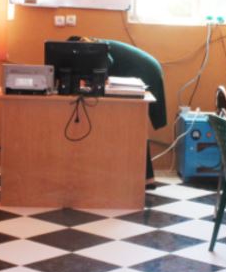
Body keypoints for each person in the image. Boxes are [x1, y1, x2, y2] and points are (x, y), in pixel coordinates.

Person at [68, 37, 166, 185]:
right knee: (134, 126)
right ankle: (146, 177)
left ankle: (143, 178)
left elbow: (107, 62)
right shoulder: (92, 43)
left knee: (133, 125)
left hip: (143, 71)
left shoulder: (89, 45)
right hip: (147, 67)